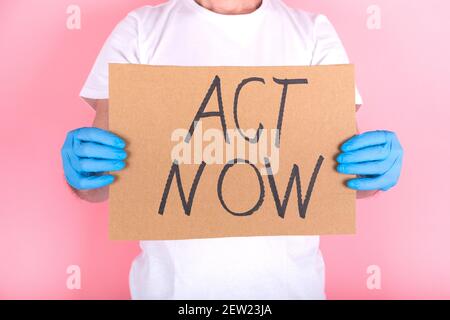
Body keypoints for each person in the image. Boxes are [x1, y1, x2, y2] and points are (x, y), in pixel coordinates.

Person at [61, 0, 403, 299]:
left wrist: (374, 173)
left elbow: (337, 179)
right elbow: (100, 185)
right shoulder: (140, 30)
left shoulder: (312, 32)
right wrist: (83, 173)